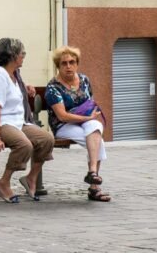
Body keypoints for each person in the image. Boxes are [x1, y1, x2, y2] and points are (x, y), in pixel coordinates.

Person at [0, 38, 54, 203]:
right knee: (24, 145)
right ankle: (3, 183)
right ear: (12, 55)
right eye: (22, 53)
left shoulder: (14, 76)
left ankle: (31, 178)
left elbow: (11, 94)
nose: (23, 56)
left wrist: (25, 88)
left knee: (46, 139)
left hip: (16, 122)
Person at [45, 46, 111, 202]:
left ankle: (92, 173)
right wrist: (87, 118)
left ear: (77, 64)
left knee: (95, 128)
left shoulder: (84, 80)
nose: (68, 66)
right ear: (58, 66)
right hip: (63, 125)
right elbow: (62, 116)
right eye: (64, 63)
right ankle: (94, 188)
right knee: (97, 141)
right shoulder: (53, 87)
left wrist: (90, 116)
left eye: (72, 62)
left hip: (84, 120)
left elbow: (90, 101)